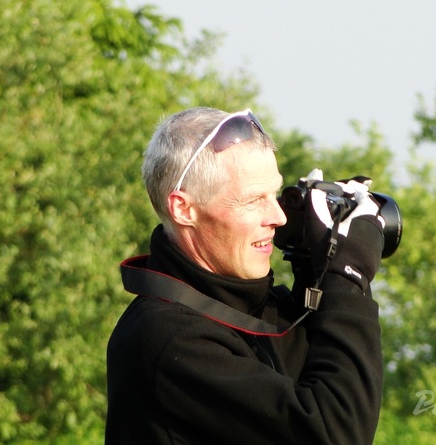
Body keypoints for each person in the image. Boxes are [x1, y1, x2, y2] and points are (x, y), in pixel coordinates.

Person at [105, 107, 385, 444]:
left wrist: (318, 270)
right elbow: (335, 431)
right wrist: (348, 276)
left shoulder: (255, 311)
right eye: (254, 200)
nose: (278, 216)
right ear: (184, 209)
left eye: (276, 194)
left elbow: (321, 381)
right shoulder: (167, 336)